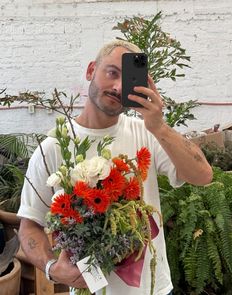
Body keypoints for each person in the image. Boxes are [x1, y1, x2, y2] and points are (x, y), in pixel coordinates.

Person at [17, 39, 213, 295]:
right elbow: (29, 225)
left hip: (153, 289)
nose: (119, 86)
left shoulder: (147, 133)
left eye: (128, 78)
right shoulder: (54, 147)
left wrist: (158, 125)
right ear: (90, 71)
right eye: (112, 73)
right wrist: (52, 268)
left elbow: (203, 176)